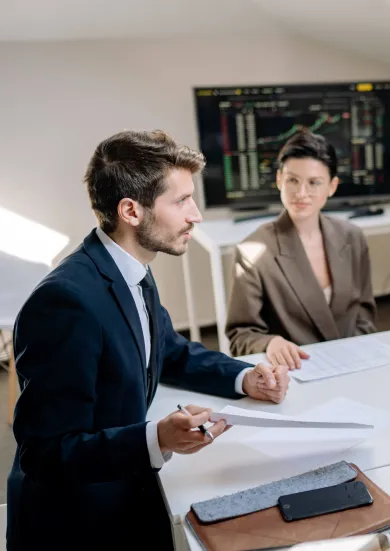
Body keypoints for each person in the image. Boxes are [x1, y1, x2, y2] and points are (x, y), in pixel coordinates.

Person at [7, 130, 292, 550]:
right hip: (78, 524)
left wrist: (245, 378)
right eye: (181, 201)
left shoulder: (130, 266)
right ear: (131, 211)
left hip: (128, 491)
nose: (195, 215)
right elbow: (46, 453)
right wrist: (156, 438)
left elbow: (167, 352)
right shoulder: (65, 303)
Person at [226, 130, 376, 366]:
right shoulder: (252, 251)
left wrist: (355, 355)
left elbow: (365, 314)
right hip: (294, 371)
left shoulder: (353, 237)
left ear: (332, 186)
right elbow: (240, 335)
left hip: (352, 363)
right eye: (292, 180)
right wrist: (270, 343)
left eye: (314, 182)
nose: (301, 193)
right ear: (279, 180)